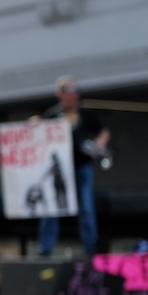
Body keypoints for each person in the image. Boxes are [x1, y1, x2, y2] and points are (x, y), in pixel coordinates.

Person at [34, 75, 110, 255]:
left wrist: (100, 142)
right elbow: (38, 131)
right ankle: (45, 249)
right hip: (59, 169)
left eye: (76, 90)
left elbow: (103, 131)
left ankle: (90, 248)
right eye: (69, 90)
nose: (74, 94)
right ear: (60, 93)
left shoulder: (86, 115)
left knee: (86, 206)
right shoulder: (53, 114)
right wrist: (35, 124)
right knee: (51, 206)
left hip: (82, 166)